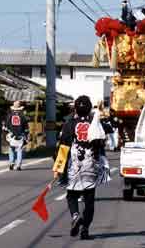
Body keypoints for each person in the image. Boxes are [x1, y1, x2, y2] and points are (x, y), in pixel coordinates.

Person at [55, 95, 110, 240]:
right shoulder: (96, 122)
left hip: (74, 163)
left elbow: (63, 147)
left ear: (76, 109)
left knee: (71, 194)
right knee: (89, 199)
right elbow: (107, 131)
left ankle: (75, 215)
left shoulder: (69, 123)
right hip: (91, 162)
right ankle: (85, 229)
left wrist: (59, 167)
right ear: (89, 108)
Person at [5, 101, 28, 171]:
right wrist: (26, 135)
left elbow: (6, 125)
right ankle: (18, 165)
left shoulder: (9, 115)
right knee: (19, 150)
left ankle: (11, 163)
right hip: (20, 135)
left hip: (12, 135)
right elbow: (26, 127)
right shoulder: (23, 116)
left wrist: (8, 132)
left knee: (11, 149)